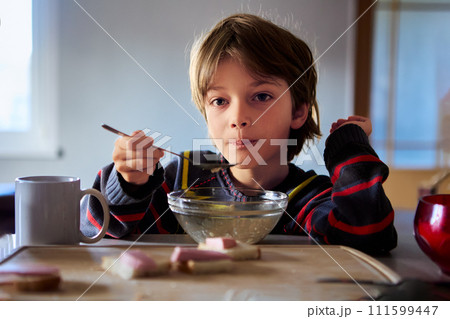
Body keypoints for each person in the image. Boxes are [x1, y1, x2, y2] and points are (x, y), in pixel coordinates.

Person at [81, 13, 397, 254]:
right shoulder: (181, 180)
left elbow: (367, 236)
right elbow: (95, 228)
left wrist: (348, 148)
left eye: (260, 96)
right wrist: (129, 183)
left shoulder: (308, 198)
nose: (238, 118)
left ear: (299, 111)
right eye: (219, 101)